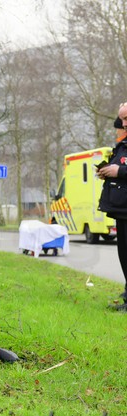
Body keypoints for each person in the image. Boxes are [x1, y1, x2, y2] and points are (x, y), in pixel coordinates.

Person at [98, 103, 127, 311]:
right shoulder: (123, 143)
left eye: (126, 119)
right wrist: (107, 171)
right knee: (124, 256)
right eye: (121, 120)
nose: (123, 124)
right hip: (122, 210)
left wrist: (120, 171)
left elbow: (123, 170)